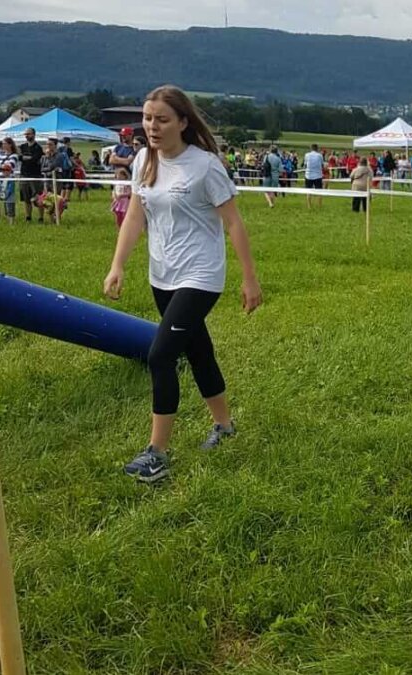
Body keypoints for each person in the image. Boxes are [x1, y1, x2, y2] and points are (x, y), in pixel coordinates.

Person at [102, 84, 263, 483]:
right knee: (199, 351)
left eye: (161, 119)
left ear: (183, 122)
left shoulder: (205, 166)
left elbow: (233, 223)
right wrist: (118, 265)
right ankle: (224, 427)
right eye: (147, 118)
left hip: (201, 276)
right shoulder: (143, 160)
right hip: (163, 275)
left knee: (160, 356)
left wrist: (249, 278)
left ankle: (157, 453)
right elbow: (136, 215)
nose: (151, 127)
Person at [17, 128, 43, 222]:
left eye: (29, 134)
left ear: (34, 134)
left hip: (35, 175)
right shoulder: (22, 146)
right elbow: (19, 157)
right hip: (24, 175)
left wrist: (25, 158)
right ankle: (28, 217)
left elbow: (35, 159)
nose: (27, 136)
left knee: (38, 198)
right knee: (26, 198)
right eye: (26, 134)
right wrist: (27, 158)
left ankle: (41, 217)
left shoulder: (38, 148)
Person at [0, 138, 20, 224]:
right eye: (2, 143)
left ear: (10, 144)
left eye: (5, 143)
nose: (3, 145)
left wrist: (1, 167)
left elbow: (9, 167)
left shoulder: (14, 156)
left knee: (9, 200)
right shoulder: (0, 155)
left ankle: (11, 221)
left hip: (8, 181)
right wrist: (2, 167)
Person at [303, 143, 324, 208]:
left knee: (308, 191)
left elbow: (305, 165)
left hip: (308, 175)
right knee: (319, 192)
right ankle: (320, 205)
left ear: (311, 148)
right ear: (317, 148)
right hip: (318, 175)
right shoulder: (320, 155)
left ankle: (309, 206)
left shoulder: (306, 155)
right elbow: (322, 165)